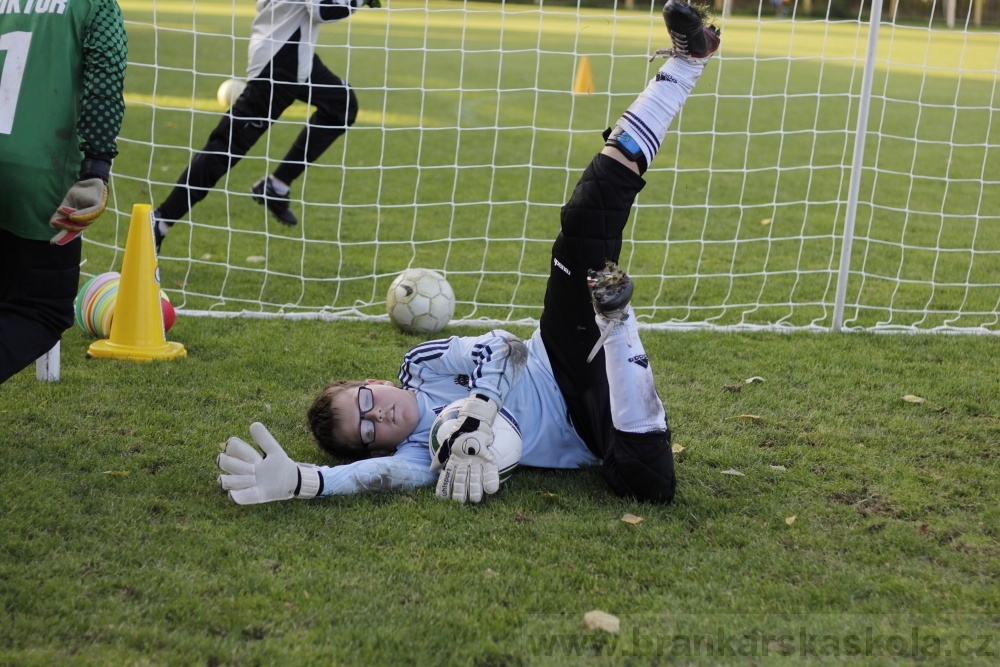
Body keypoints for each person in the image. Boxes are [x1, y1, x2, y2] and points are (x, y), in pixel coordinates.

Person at [216, 0, 721, 505]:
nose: (378, 415)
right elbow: (377, 477)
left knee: (587, 215)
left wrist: (480, 409)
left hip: (559, 353)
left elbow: (503, 346)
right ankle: (618, 320)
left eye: (365, 401)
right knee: (648, 485)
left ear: (373, 382)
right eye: (367, 431)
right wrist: (305, 481)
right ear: (377, 447)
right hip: (588, 428)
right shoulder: (421, 453)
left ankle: (685, 64)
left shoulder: (421, 365)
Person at [151, 0, 380, 251]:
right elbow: (322, 10)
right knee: (225, 147)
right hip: (278, 63)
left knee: (342, 105)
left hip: (294, 55)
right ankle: (160, 222)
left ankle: (276, 186)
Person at [0, 0, 128, 385]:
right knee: (42, 308)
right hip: (37, 172)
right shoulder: (95, 5)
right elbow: (105, 79)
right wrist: (96, 168)